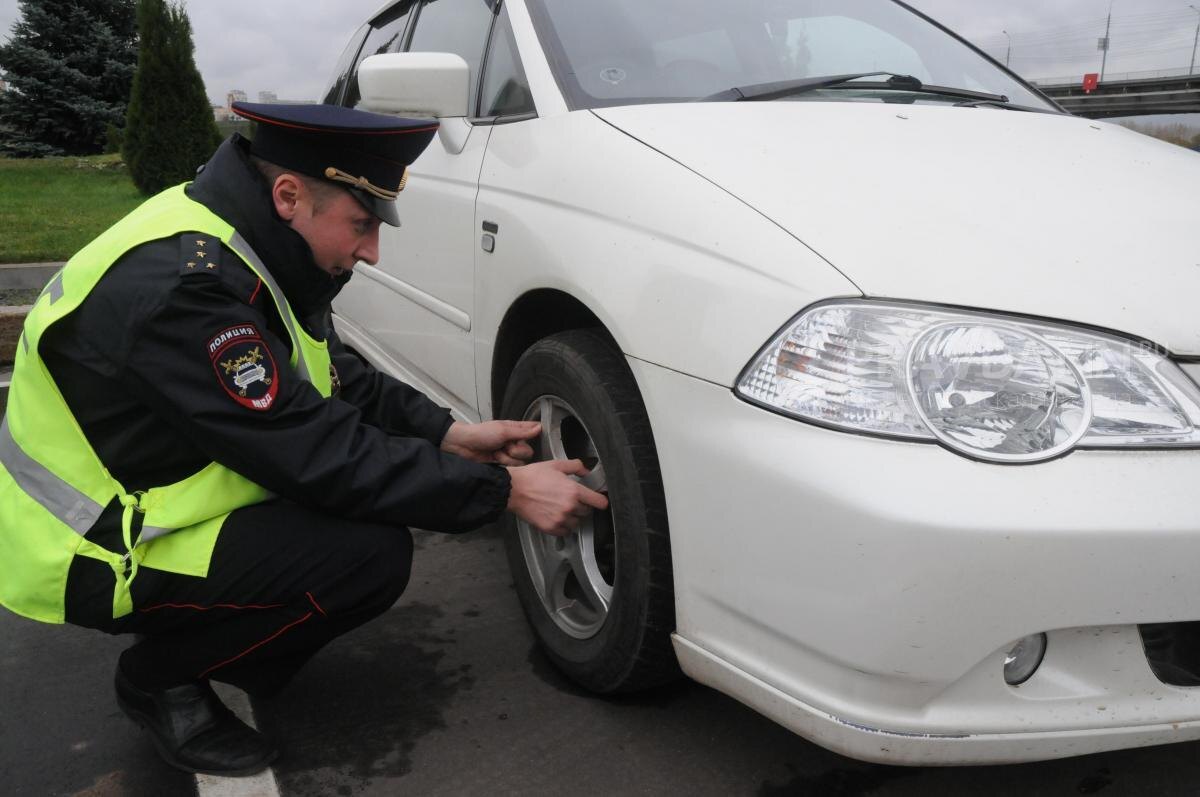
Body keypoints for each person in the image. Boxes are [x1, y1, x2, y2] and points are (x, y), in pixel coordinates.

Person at [0, 102, 608, 777]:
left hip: (151, 485)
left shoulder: (244, 234)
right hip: (91, 543)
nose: (372, 250)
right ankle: (158, 674)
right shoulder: (187, 293)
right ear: (289, 195)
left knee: (348, 523)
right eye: (362, 223)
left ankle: (208, 626)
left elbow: (327, 369)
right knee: (366, 558)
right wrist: (504, 490)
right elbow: (320, 454)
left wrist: (449, 431)